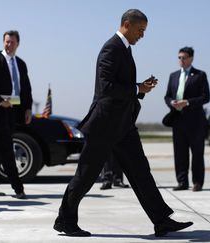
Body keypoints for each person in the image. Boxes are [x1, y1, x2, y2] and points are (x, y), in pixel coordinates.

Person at [54, 9, 193, 237]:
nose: (142, 35)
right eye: (140, 30)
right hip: (104, 125)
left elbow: (122, 87)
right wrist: (136, 88)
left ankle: (161, 220)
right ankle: (65, 220)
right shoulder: (111, 48)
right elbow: (106, 88)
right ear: (127, 25)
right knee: (86, 175)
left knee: (141, 172)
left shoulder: (125, 50)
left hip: (123, 125)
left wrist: (140, 88)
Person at [0, 30, 32, 199]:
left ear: (18, 44)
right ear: (3, 42)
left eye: (12, 42)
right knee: (6, 149)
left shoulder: (21, 64)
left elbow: (26, 88)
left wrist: (27, 108)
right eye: (6, 42)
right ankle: (18, 188)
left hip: (13, 111)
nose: (8, 45)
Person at [164, 47, 210, 192]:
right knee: (180, 154)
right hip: (178, 120)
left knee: (197, 154)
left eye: (183, 58)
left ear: (191, 58)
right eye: (179, 58)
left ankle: (197, 182)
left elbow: (205, 97)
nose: (181, 61)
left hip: (195, 121)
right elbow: (167, 96)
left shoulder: (200, 75)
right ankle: (182, 182)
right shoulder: (173, 76)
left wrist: (187, 102)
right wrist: (171, 102)